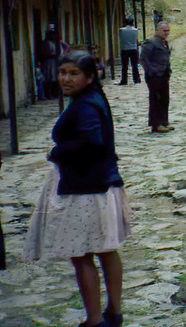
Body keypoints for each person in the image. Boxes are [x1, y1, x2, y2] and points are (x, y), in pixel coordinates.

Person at [23, 50, 131, 327]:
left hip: (85, 189)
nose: (65, 79)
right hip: (101, 185)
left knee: (82, 255)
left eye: (74, 73)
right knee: (107, 249)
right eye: (62, 72)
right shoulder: (92, 98)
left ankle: (95, 320)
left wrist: (57, 152)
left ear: (89, 77)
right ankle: (114, 312)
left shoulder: (84, 105)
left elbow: (91, 142)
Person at [140, 21, 173, 133]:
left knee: (164, 99)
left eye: (167, 31)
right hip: (154, 76)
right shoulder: (150, 43)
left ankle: (164, 122)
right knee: (156, 99)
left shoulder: (164, 43)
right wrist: (151, 71)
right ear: (157, 30)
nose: (166, 33)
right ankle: (156, 124)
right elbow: (144, 59)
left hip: (164, 74)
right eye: (164, 31)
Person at [117, 17, 140, 85]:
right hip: (133, 49)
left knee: (124, 66)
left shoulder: (121, 30)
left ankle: (124, 80)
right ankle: (136, 79)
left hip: (125, 49)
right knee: (134, 65)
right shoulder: (135, 30)